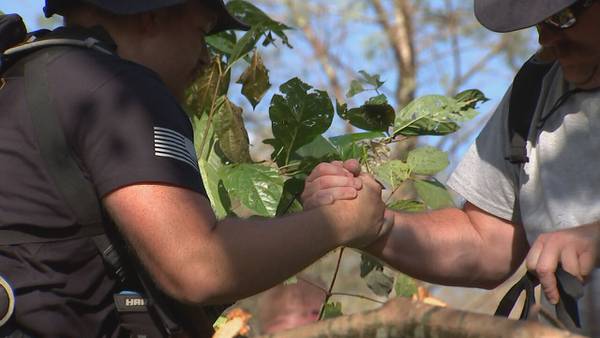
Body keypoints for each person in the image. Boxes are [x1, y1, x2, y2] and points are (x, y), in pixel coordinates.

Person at [0, 1, 393, 337]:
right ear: (151, 16)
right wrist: (342, 221)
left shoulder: (24, 78)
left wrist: (305, 222)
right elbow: (198, 265)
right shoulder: (114, 87)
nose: (206, 57)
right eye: (201, 31)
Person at [302, 0, 600, 336]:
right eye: (538, 22)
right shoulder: (538, 87)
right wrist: (375, 224)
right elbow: (488, 243)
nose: (546, 39)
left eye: (563, 17)